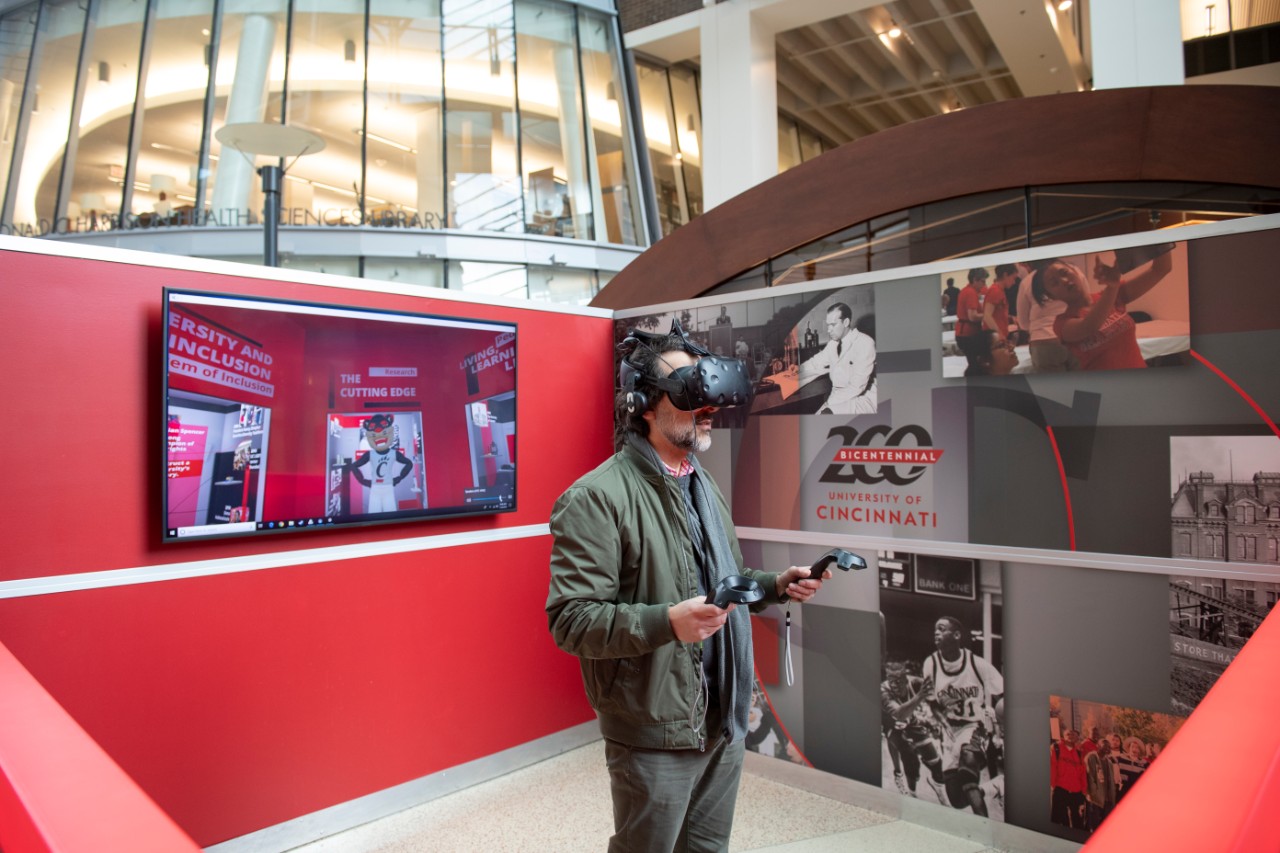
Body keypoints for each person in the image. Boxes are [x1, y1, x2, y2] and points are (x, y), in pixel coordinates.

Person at [546, 323, 830, 853]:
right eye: (688, 391)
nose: (707, 405)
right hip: (655, 728)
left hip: (722, 720)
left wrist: (774, 586)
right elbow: (572, 621)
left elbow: (722, 583)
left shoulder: (700, 480)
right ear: (645, 407)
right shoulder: (596, 498)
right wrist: (667, 622)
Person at [908, 616, 1004, 816]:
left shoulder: (977, 664)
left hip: (974, 726)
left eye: (941, 629)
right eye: (935, 629)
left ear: (957, 635)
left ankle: (986, 834)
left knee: (968, 771)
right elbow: (933, 704)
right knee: (958, 800)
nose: (936, 633)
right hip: (949, 731)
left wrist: (999, 726)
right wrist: (945, 725)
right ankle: (994, 787)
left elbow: (1003, 694)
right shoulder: (931, 665)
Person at [1031, 247, 1173, 371]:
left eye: (1064, 273)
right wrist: (1112, 286)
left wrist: (1157, 231)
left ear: (1075, 270)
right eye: (1054, 283)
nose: (1064, 281)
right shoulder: (1062, 323)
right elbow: (1089, 326)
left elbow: (1161, 269)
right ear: (1051, 296)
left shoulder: (1113, 295)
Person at [880, 661, 949, 804]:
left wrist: (943, 720)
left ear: (906, 678)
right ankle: (911, 791)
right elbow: (899, 715)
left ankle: (937, 785)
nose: (893, 684)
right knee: (909, 755)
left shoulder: (917, 683)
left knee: (936, 761)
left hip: (911, 722)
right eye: (891, 680)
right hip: (890, 723)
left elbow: (934, 704)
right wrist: (919, 696)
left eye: (898, 681)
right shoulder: (883, 690)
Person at [794, 302, 876, 414]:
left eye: (833, 325)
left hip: (861, 399)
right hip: (837, 398)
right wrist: (799, 369)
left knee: (824, 415)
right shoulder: (833, 344)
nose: (828, 330)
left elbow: (857, 387)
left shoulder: (865, 343)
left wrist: (830, 404)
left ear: (846, 322)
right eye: (828, 325)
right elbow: (816, 361)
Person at [1016, 262, 1075, 372]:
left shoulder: (1028, 281)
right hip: (1073, 333)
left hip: (1043, 340)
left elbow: (1023, 323)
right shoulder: (1074, 272)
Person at [349, 413, 413, 513]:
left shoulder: (393, 453)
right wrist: (363, 481)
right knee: (374, 516)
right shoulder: (371, 454)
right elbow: (354, 466)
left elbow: (409, 463)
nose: (379, 437)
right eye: (374, 435)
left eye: (383, 433)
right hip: (375, 489)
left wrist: (399, 478)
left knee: (390, 516)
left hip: (387, 488)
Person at [1050, 728, 1088, 830]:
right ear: (1063, 735)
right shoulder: (1056, 748)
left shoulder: (1079, 753)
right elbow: (1052, 767)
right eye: (1068, 734)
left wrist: (1084, 791)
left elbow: (1083, 773)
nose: (1071, 735)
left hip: (1076, 792)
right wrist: (1052, 786)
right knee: (1057, 820)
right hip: (1060, 789)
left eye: (1073, 734)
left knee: (1078, 823)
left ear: (1077, 738)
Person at [954, 268, 989, 370]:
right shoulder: (970, 293)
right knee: (976, 365)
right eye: (982, 281)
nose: (984, 284)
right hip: (968, 335)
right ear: (975, 280)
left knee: (974, 364)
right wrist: (988, 315)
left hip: (963, 333)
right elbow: (972, 316)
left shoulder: (967, 290)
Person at [1084, 737, 1118, 832]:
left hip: (1107, 800)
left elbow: (1112, 781)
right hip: (1095, 799)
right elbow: (1089, 777)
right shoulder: (1091, 757)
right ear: (1098, 746)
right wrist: (1093, 794)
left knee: (1104, 828)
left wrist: (1112, 798)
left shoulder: (1109, 762)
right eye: (1104, 745)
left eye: (1109, 746)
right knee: (1093, 826)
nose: (1107, 747)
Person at [981, 264, 1015, 342]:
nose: (1014, 282)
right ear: (1006, 275)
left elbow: (996, 312)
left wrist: (1010, 317)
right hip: (994, 338)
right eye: (1013, 278)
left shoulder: (999, 290)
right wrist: (999, 334)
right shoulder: (995, 291)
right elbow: (987, 315)